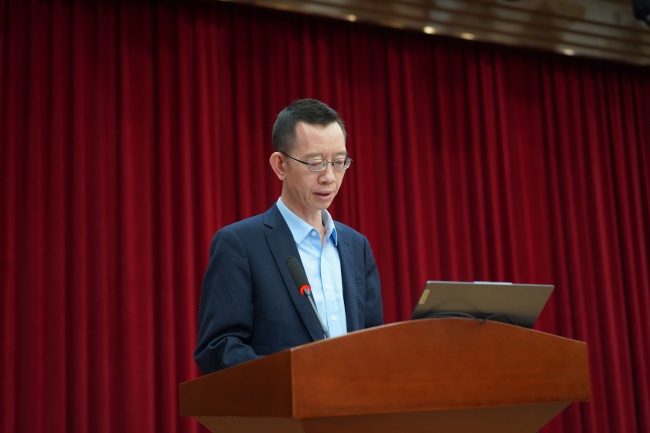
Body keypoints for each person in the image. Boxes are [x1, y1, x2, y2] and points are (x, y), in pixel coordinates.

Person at [194, 98, 383, 374]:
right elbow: (218, 349)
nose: (329, 177)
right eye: (316, 163)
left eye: (339, 162)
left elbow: (374, 341)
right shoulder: (240, 245)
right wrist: (297, 377)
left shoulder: (356, 246)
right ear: (281, 165)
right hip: (282, 401)